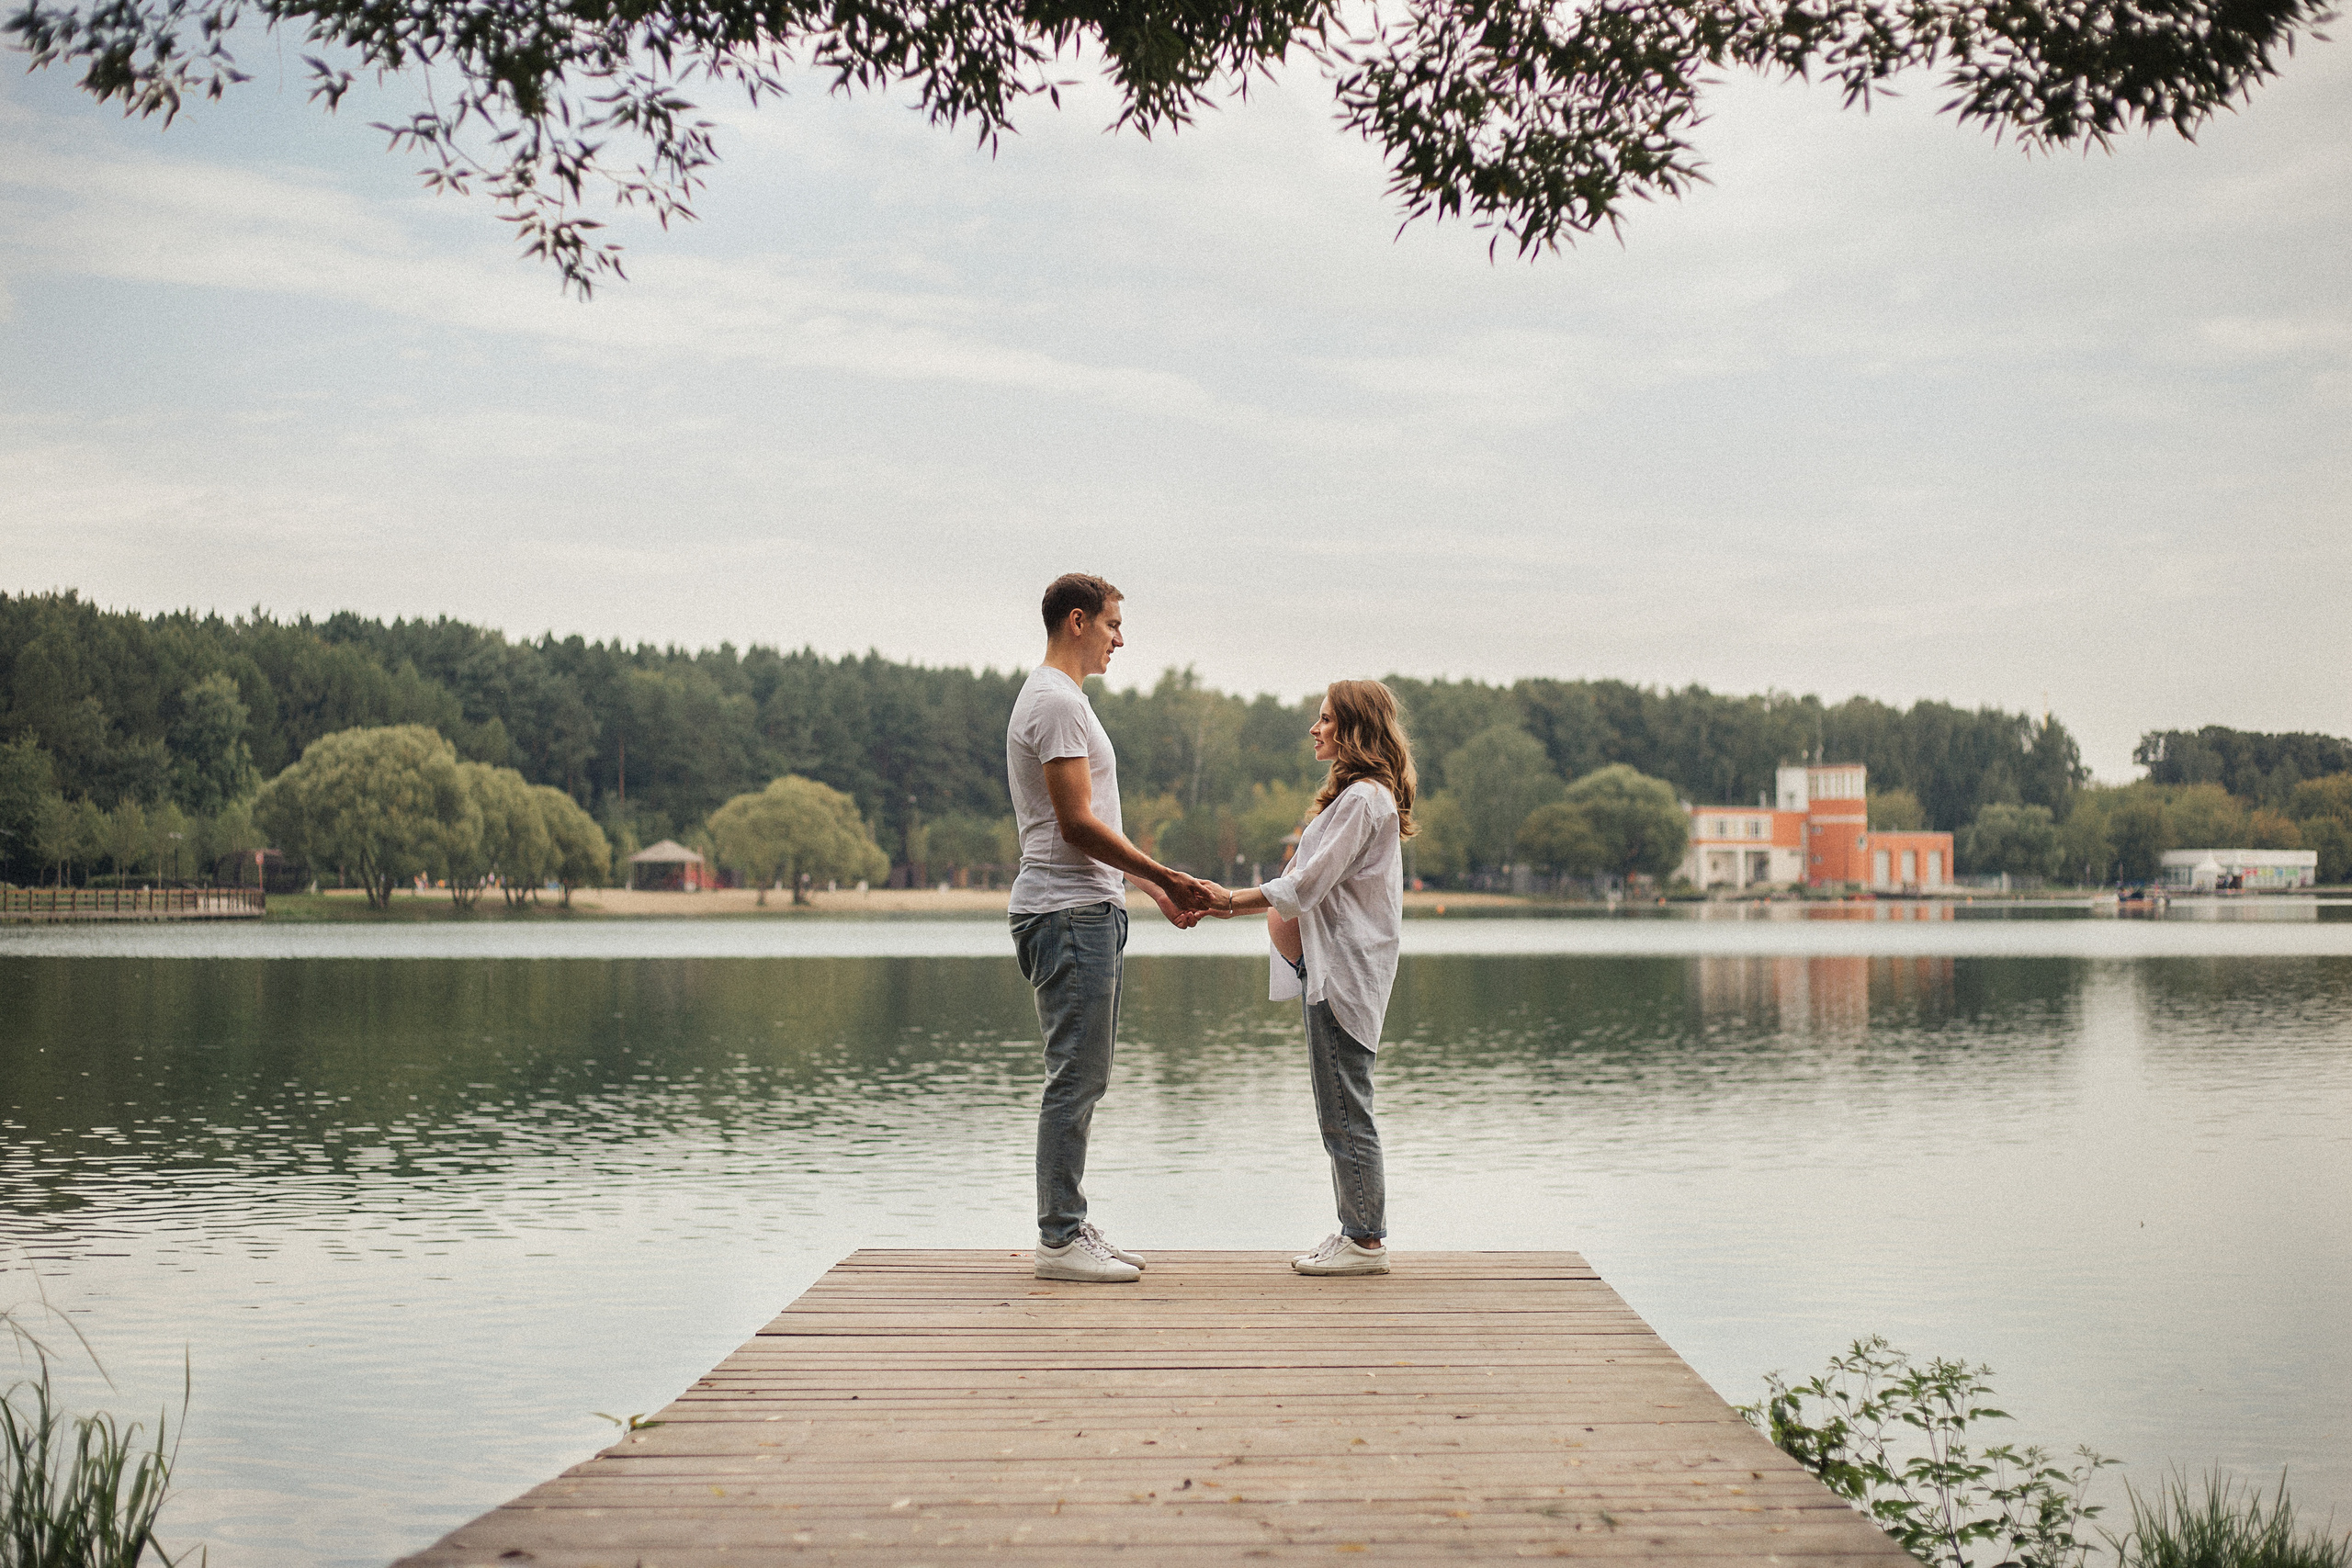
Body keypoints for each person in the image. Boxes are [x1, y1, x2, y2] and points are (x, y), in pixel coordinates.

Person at [1007, 573, 1214, 1283]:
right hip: (1069, 913)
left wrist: (1147, 887)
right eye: (1112, 624)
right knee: (1077, 1075)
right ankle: (1059, 1239)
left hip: (1082, 909)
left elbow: (1083, 829)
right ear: (1077, 620)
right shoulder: (1058, 703)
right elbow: (1076, 824)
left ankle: (1067, 1225)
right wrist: (1164, 874)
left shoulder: (1061, 701)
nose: (1119, 638)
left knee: (1084, 1075)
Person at [1204, 680, 1414, 1276]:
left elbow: (1303, 887)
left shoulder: (1365, 800)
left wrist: (1222, 901)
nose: (1314, 729)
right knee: (1339, 1104)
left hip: (1343, 972)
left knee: (1346, 1107)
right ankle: (1356, 1227)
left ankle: (1365, 1239)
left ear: (1353, 727)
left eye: (1325, 719)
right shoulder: (1357, 798)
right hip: (1326, 969)